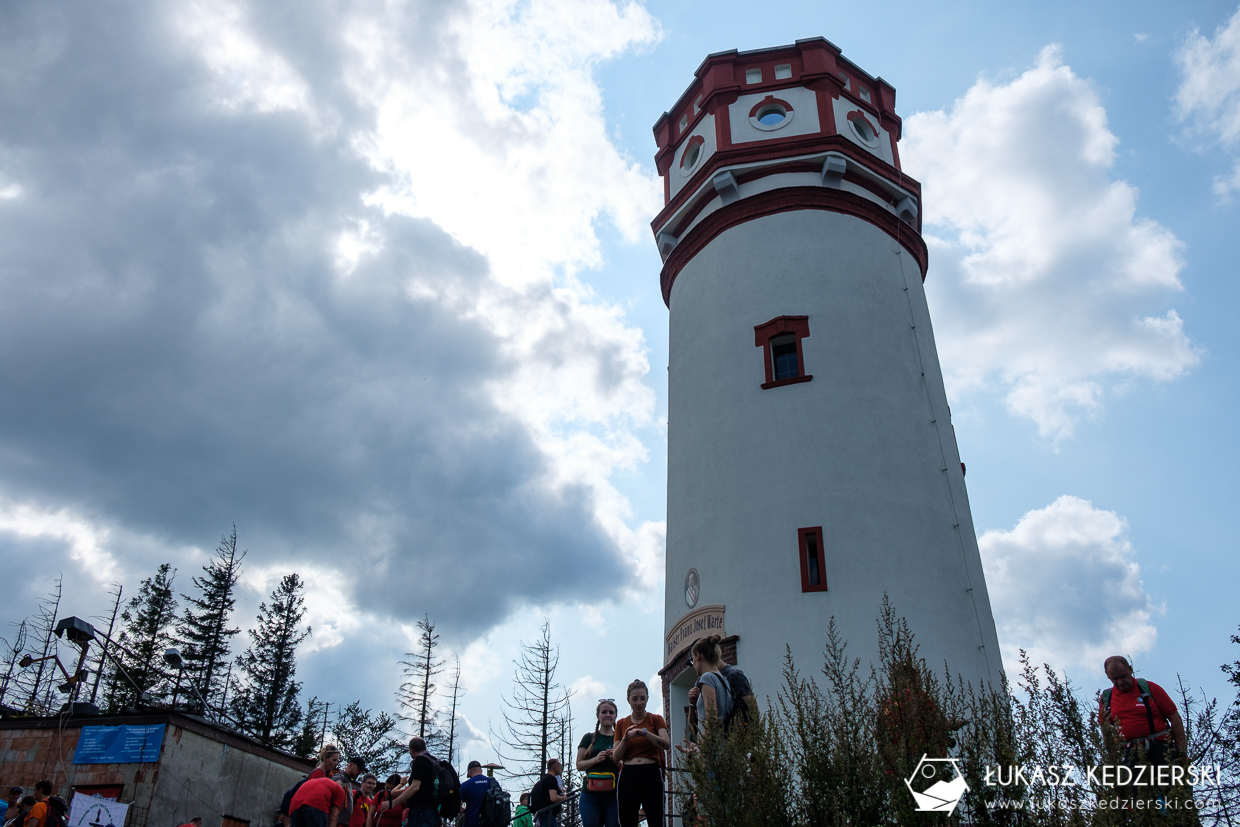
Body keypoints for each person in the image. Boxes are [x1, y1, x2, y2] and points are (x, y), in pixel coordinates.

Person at [1099, 655, 1187, 765]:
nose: (1120, 682)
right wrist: (1112, 756)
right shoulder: (1107, 698)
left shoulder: (1150, 688)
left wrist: (1181, 752)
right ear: (1108, 676)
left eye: (1123, 676)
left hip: (1160, 750)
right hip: (1128, 755)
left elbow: (1175, 719)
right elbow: (1105, 729)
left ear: (1130, 669)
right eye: (1115, 679)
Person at [612, 680, 669, 827]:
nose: (639, 702)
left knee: (655, 817)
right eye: (635, 699)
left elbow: (666, 743)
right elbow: (616, 756)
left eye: (642, 698)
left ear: (647, 698)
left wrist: (645, 733)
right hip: (629, 773)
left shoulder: (656, 719)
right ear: (628, 700)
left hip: (651, 772)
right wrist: (625, 739)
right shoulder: (621, 723)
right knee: (627, 818)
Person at [576, 699, 620, 827]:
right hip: (590, 795)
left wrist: (615, 758)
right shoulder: (588, 738)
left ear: (615, 716)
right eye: (604, 712)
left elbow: (627, 766)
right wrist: (595, 759)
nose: (608, 715)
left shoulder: (620, 739)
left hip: (615, 795)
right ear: (598, 715)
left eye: (611, 712)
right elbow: (579, 765)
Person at [387, 737, 438, 827]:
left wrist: (393, 803)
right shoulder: (434, 761)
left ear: (411, 750)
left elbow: (415, 787)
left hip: (420, 812)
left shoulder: (419, 760)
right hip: (433, 811)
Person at [529, 759, 566, 827]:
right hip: (548, 815)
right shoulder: (551, 779)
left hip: (541, 815)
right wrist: (563, 798)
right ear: (555, 767)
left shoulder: (542, 781)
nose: (561, 770)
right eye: (560, 767)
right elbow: (553, 798)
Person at [332, 756, 367, 827]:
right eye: (359, 769)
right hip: (336, 822)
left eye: (361, 771)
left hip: (341, 822)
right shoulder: (340, 778)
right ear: (351, 765)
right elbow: (330, 793)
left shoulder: (346, 781)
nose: (359, 772)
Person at [458, 760, 491, 827]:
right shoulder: (493, 783)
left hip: (472, 823)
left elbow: (459, 808)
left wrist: (465, 808)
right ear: (481, 771)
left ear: (470, 772)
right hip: (491, 824)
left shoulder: (465, 785)